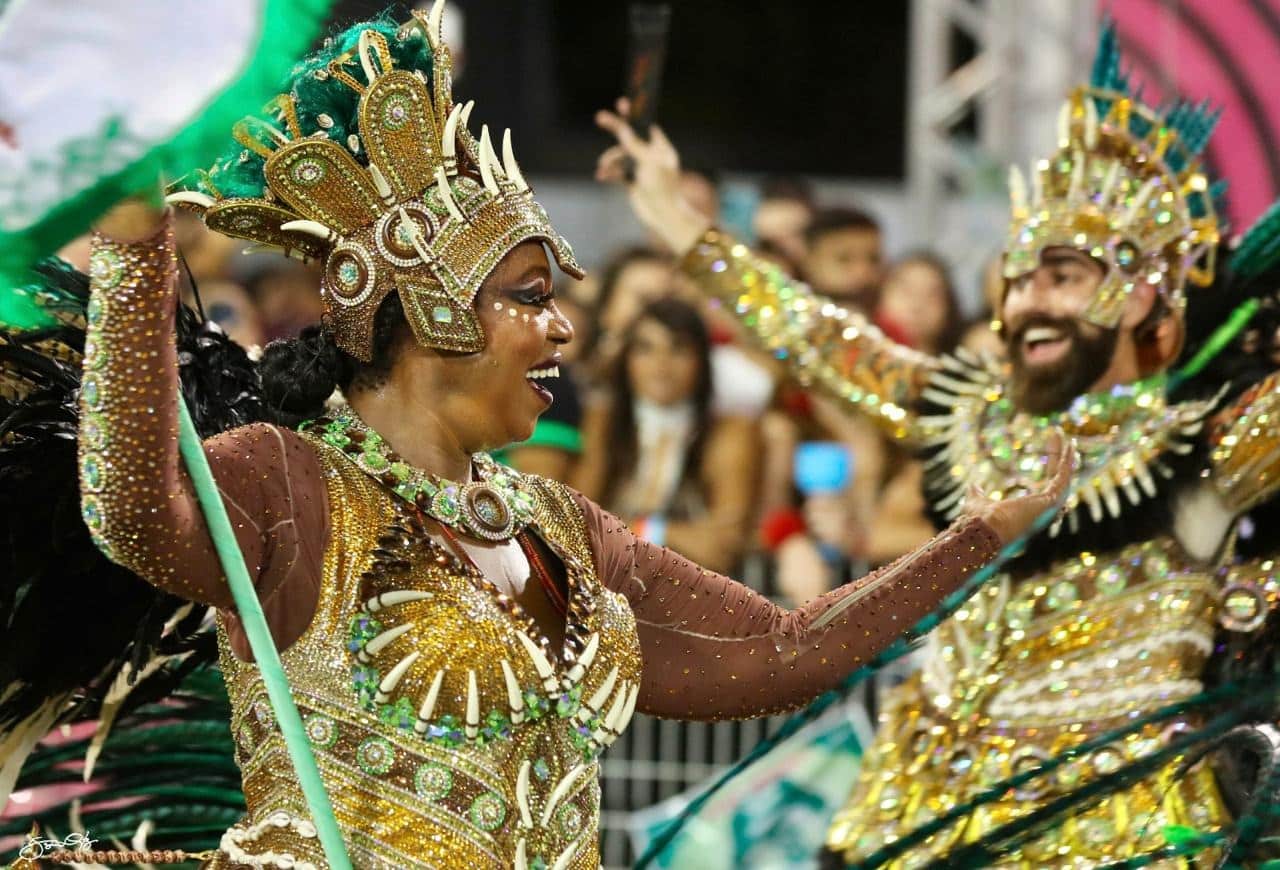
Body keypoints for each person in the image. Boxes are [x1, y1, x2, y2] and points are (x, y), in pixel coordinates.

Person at [69, 10, 1067, 868]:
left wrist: (979, 534)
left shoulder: (557, 527)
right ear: (427, 308)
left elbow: (777, 650)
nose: (563, 330)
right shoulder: (288, 484)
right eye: (530, 299)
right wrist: (133, 251)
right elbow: (130, 515)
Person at [594, 20, 1280, 864]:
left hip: (1115, 819)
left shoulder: (1202, 443)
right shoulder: (967, 412)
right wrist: (675, 219)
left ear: (1141, 299)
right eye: (1020, 279)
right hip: (920, 803)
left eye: (1062, 277)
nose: (1028, 302)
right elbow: (821, 339)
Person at [574, 297, 759, 573]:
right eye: (645, 349)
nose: (661, 364)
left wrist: (624, 530)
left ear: (701, 361)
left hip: (696, 592)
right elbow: (577, 528)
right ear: (627, 360)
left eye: (678, 349)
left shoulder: (732, 432)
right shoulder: (603, 422)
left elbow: (722, 549)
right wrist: (666, 533)